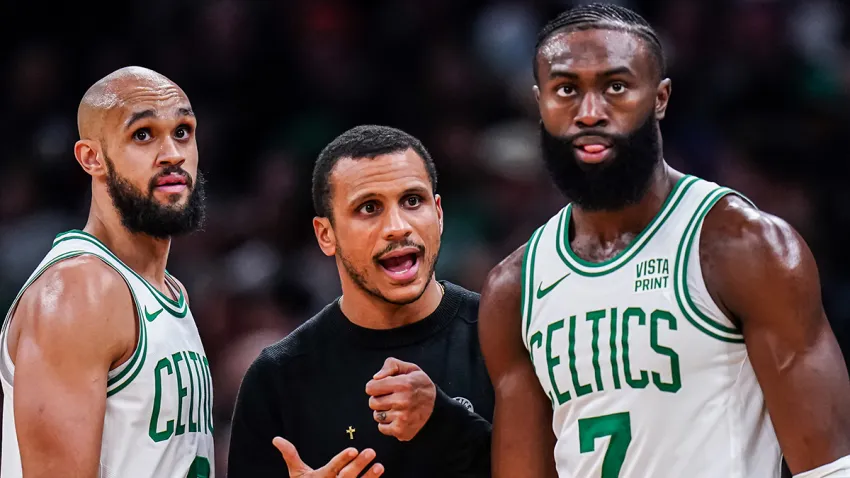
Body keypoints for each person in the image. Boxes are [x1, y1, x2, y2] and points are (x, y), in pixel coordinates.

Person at [478, 4, 850, 478]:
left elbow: (830, 469)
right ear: (540, 103)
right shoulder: (513, 289)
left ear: (659, 97)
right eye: (567, 89)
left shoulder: (743, 245)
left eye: (616, 86)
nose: (590, 112)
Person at [227, 125, 493, 477]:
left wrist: (446, 422)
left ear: (439, 214)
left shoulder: (502, 336)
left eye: (413, 201)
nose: (397, 226)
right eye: (369, 208)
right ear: (326, 234)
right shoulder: (277, 378)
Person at [0, 66, 214, 478]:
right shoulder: (79, 291)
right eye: (143, 134)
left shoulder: (166, 290)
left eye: (183, 131)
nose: (172, 153)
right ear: (91, 157)